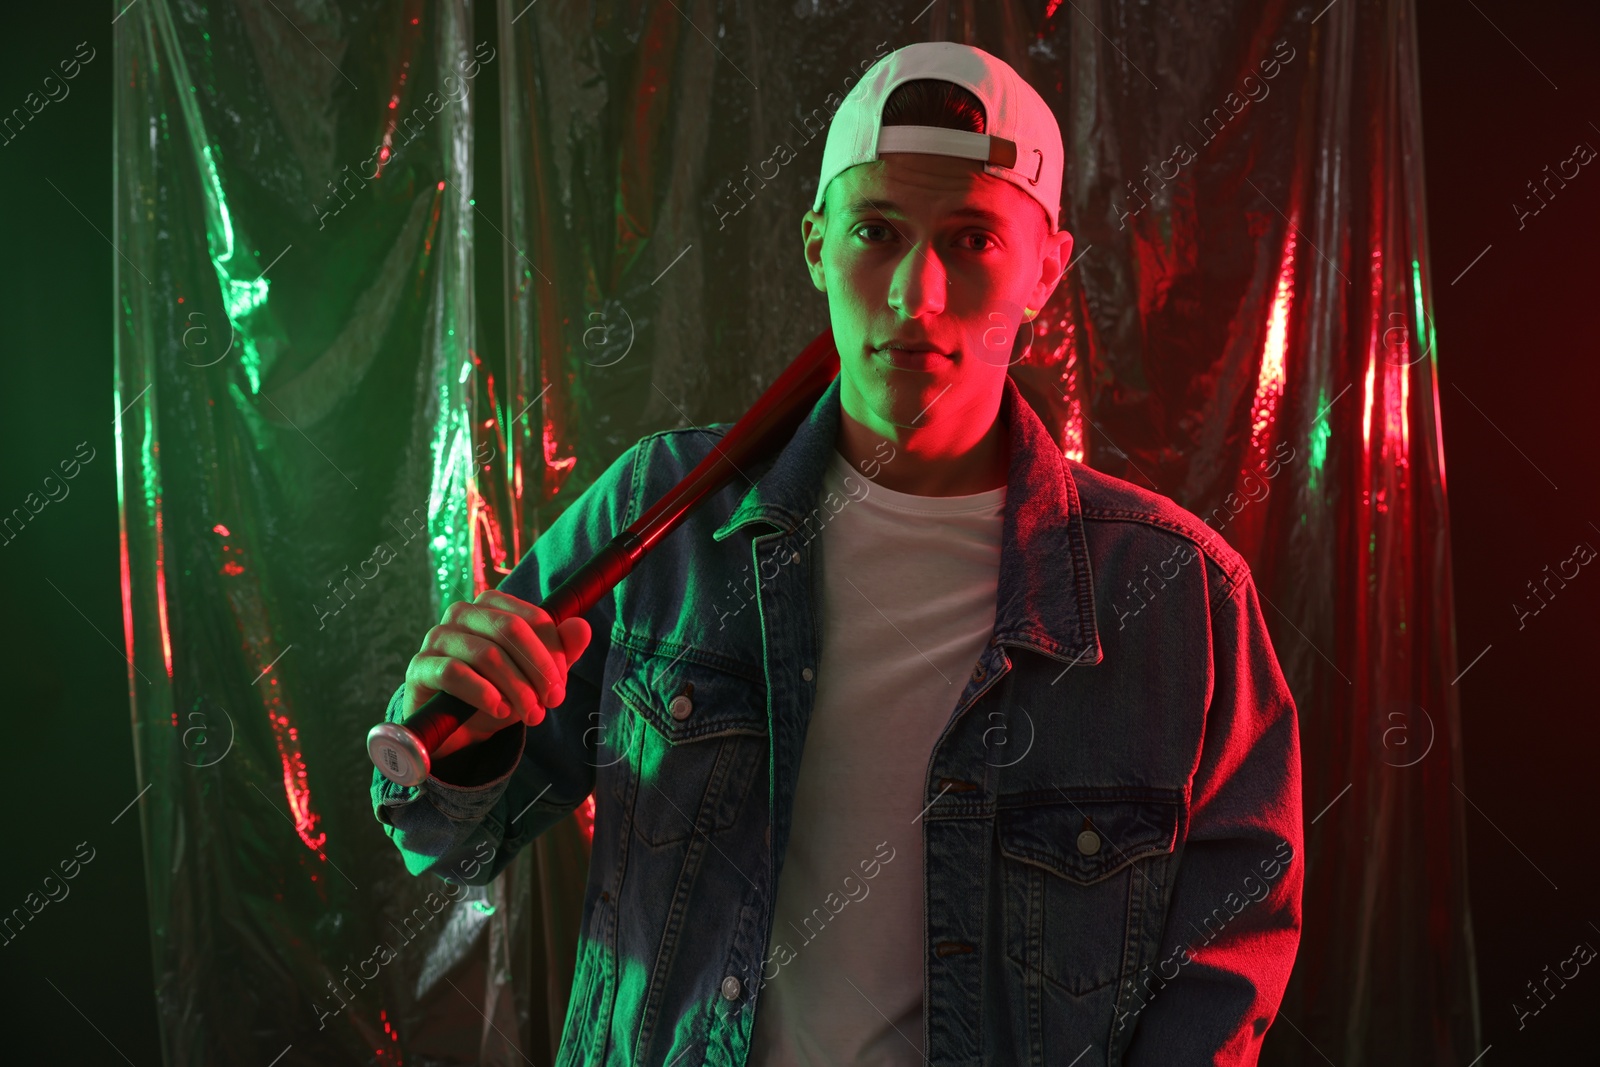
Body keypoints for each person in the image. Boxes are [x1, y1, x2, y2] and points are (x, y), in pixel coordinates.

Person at [371, 41, 1302, 1066]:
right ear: (816, 244)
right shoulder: (659, 517)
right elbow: (452, 838)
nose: (917, 290)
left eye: (973, 238)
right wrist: (453, 733)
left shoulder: (1177, 597)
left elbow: (1225, 958)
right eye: (877, 230)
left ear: (1045, 269)